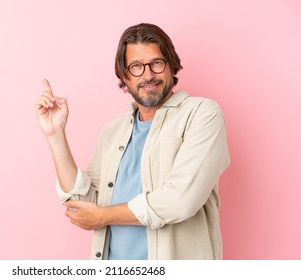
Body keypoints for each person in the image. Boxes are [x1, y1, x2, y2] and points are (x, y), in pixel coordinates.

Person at [35, 23, 230, 260]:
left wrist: (103, 216)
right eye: (136, 66)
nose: (148, 75)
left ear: (171, 66)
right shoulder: (113, 131)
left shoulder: (202, 114)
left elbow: (180, 200)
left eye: (157, 63)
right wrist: (56, 135)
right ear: (124, 76)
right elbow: (84, 205)